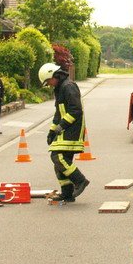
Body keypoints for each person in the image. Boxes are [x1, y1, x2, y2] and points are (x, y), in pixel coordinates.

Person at [39, 62, 90, 203]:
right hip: (66, 128)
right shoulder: (60, 88)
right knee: (60, 163)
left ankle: (80, 181)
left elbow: (76, 110)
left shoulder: (69, 87)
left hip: (73, 129)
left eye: (48, 81)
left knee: (57, 157)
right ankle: (67, 193)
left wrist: (61, 126)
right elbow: (58, 113)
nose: (49, 84)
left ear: (54, 75)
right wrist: (51, 130)